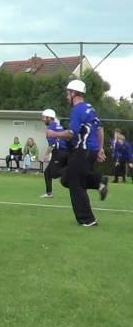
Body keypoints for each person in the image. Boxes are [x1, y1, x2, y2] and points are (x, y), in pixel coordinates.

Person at [47, 79, 108, 227]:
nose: (67, 96)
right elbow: (100, 128)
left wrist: (54, 134)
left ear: (74, 93)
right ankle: (98, 181)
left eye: (68, 93)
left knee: (75, 184)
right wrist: (99, 148)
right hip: (90, 150)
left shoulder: (77, 110)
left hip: (82, 151)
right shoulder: (89, 108)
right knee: (66, 179)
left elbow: (71, 133)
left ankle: (87, 220)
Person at [39, 109, 68, 198]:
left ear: (49, 118)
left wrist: (46, 155)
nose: (43, 119)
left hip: (59, 153)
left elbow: (52, 145)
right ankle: (49, 193)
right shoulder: (58, 126)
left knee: (54, 174)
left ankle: (71, 170)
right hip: (64, 152)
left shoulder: (50, 129)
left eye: (44, 117)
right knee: (47, 173)